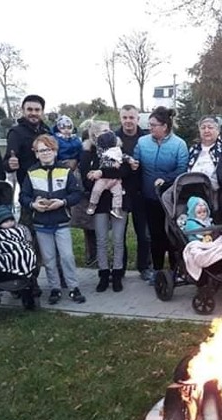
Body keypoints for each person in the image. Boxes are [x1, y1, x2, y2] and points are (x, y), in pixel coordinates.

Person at [19, 134, 86, 304]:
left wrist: (62, 202)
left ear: (55, 152)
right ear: (36, 153)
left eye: (49, 149)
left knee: (67, 256)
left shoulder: (65, 171)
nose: (45, 153)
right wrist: (33, 205)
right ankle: (54, 288)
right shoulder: (32, 172)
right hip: (41, 223)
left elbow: (77, 194)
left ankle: (73, 287)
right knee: (48, 259)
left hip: (61, 220)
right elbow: (23, 196)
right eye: (41, 150)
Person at [80, 122, 136, 293]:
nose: (110, 133)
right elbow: (85, 179)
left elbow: (125, 172)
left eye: (110, 130)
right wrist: (106, 176)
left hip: (119, 200)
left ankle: (118, 273)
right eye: (105, 131)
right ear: (95, 135)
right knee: (101, 240)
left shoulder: (118, 150)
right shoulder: (88, 154)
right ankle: (104, 274)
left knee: (118, 240)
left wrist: (101, 174)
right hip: (100, 203)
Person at [134, 106, 188, 275]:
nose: (149, 128)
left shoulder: (179, 144)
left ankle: (174, 270)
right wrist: (133, 163)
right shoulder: (143, 142)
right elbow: (136, 161)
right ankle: (157, 271)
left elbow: (182, 169)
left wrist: (166, 179)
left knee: (172, 235)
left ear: (164, 126)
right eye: (149, 124)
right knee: (155, 235)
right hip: (149, 197)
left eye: (153, 125)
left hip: (171, 198)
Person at [114, 105, 152, 281]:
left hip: (141, 191)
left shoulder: (146, 138)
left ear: (138, 119)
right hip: (119, 192)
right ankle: (119, 268)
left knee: (144, 234)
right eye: (125, 117)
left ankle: (144, 266)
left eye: (131, 117)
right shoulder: (113, 138)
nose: (128, 121)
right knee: (119, 234)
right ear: (120, 118)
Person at [4, 94, 51, 190]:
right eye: (30, 109)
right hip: (28, 186)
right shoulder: (16, 133)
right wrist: (10, 164)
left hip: (49, 183)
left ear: (42, 111)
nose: (33, 113)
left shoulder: (47, 131)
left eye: (37, 110)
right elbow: (6, 162)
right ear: (23, 111)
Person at [85, 130, 125, 219]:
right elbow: (103, 163)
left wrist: (130, 160)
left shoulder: (117, 150)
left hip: (115, 180)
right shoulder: (99, 151)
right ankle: (92, 204)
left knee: (118, 193)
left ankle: (116, 209)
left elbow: (123, 164)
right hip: (102, 180)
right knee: (96, 190)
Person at [187, 115, 222, 190]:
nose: (206, 130)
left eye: (210, 127)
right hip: (192, 187)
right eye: (203, 128)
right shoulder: (194, 149)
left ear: (218, 130)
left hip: (215, 190)